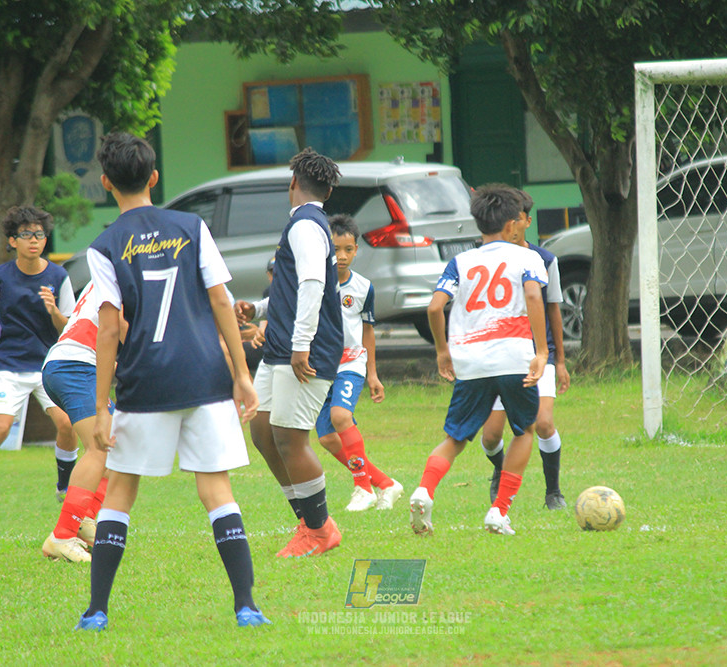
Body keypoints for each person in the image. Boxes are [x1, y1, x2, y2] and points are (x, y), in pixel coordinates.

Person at [76, 132, 268, 631]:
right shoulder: (191, 225)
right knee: (216, 489)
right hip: (205, 375)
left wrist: (101, 406)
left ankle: (97, 611)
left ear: (105, 183)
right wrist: (242, 374)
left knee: (119, 492)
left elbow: (110, 328)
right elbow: (222, 300)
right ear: (154, 178)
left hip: (146, 383)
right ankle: (246, 606)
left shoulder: (104, 246)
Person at [409, 184, 548, 537]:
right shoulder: (526, 257)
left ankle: (424, 490)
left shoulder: (461, 261)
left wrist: (443, 350)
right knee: (525, 430)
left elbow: (434, 307)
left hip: (470, 362)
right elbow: (533, 294)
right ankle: (498, 512)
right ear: (510, 226)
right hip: (514, 358)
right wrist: (542, 351)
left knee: (455, 438)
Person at [235, 147, 344, 558]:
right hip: (282, 345)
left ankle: (320, 531)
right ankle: (309, 521)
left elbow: (314, 284)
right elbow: (295, 289)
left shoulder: (304, 225)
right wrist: (259, 308)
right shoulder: (306, 224)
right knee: (263, 432)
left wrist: (301, 346)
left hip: (304, 349)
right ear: (328, 190)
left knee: (289, 439)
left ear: (293, 183)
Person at [0, 206, 77, 515]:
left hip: (48, 366)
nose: (34, 240)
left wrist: (54, 312)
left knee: (66, 423)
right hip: (9, 366)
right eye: (26, 235)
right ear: (12, 241)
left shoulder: (58, 276)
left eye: (39, 234)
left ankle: (64, 487)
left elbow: (69, 327)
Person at [479, 191, 570, 511]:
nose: (513, 225)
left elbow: (554, 310)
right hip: (502, 357)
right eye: (508, 219)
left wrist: (559, 360)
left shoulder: (545, 260)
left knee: (543, 423)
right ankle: (500, 470)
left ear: (527, 222)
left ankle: (553, 492)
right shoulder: (488, 260)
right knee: (490, 435)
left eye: (518, 218)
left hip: (537, 357)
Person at [314, 214, 402, 512]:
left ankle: (362, 487)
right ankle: (386, 484)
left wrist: (372, 374)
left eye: (348, 249)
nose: (341, 256)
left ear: (356, 250)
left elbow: (367, 331)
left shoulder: (364, 287)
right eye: (335, 249)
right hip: (319, 368)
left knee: (341, 417)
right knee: (327, 437)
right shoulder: (315, 284)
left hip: (351, 364)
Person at [40, 280, 124, 563]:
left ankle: (85, 521)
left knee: (117, 450)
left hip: (70, 363)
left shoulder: (111, 270)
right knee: (102, 448)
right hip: (76, 365)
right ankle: (62, 536)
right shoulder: (127, 271)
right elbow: (121, 329)